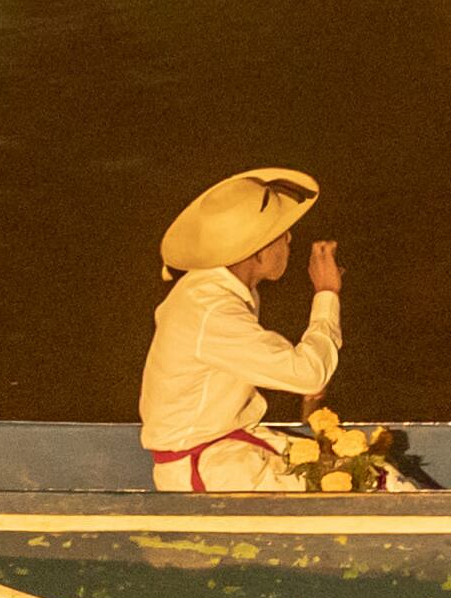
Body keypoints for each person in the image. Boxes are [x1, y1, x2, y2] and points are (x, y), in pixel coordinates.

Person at [140, 167, 343, 491]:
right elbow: (308, 374)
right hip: (206, 469)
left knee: (373, 478)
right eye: (281, 233)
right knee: (344, 491)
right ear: (257, 252)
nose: (290, 239)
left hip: (229, 450)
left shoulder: (221, 291)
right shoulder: (212, 310)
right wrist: (327, 293)